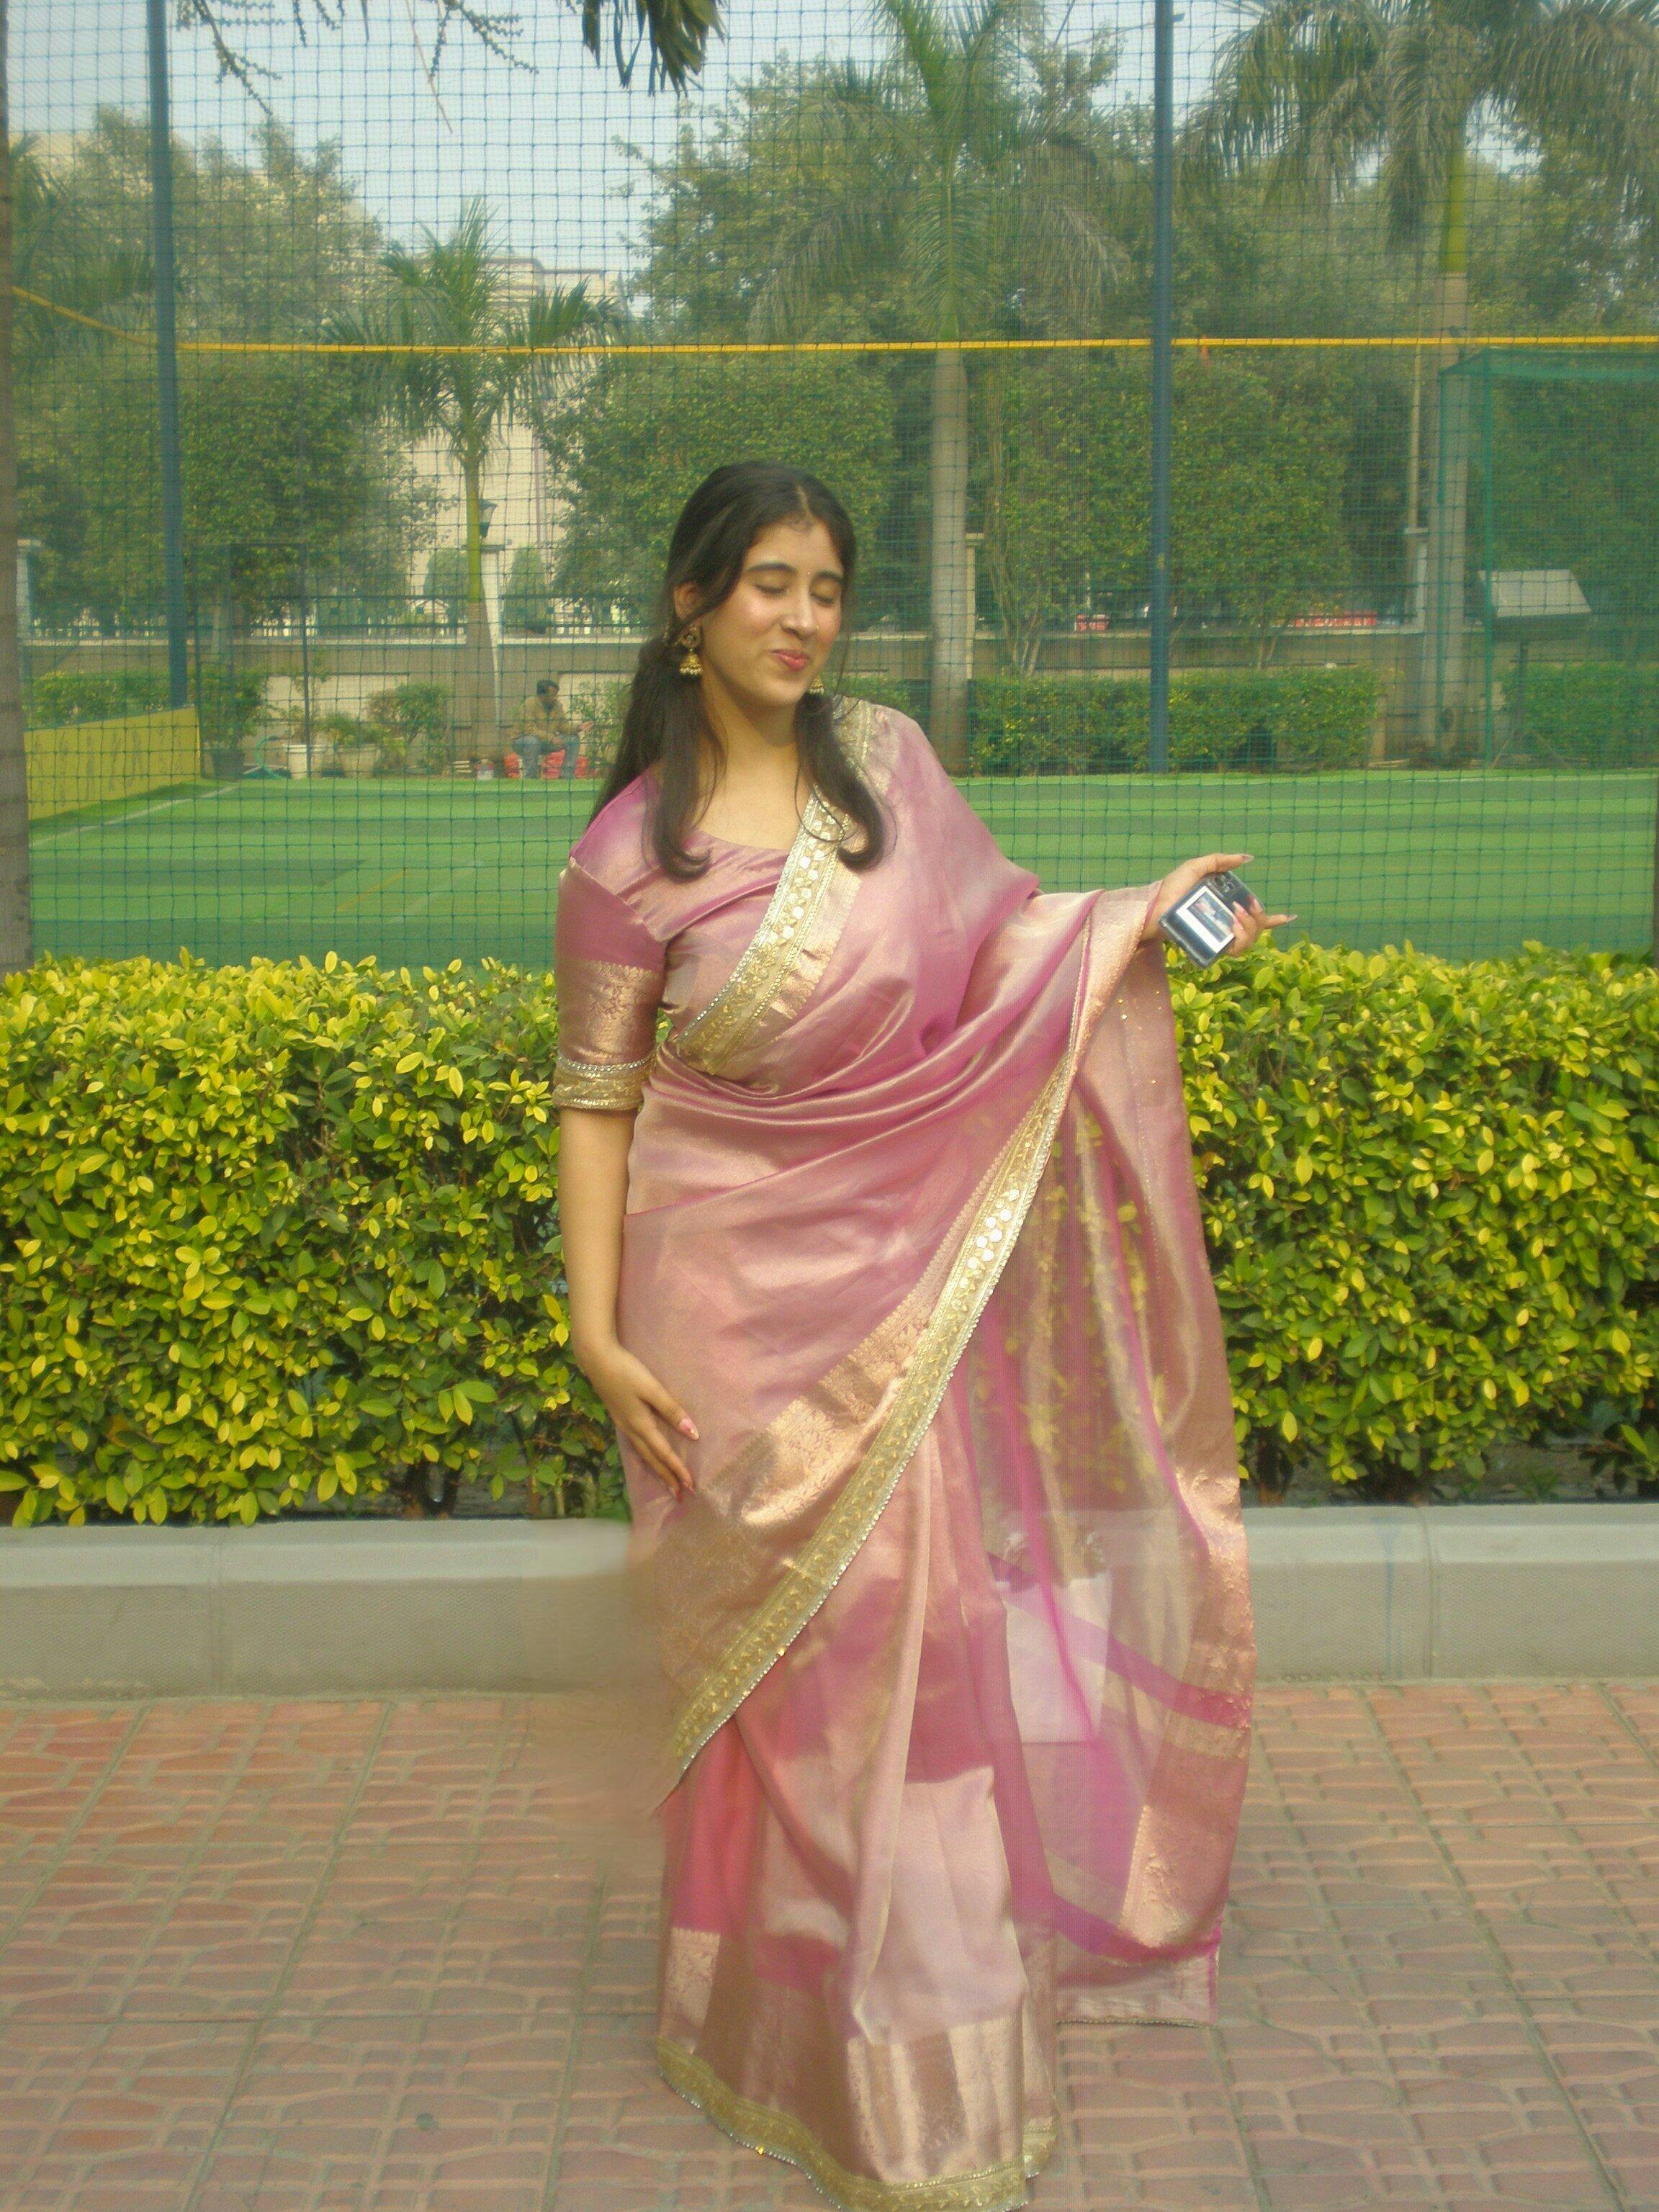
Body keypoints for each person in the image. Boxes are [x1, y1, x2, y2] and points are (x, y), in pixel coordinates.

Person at [552, 463, 1284, 2212]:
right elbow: (596, 1097)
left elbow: (1005, 944)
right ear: (690, 605)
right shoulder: (626, 859)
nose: (802, 618)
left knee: (919, 1632)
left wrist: (1142, 921)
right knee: (788, 1668)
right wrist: (592, 1326)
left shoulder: (885, 770)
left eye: (825, 588)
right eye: (769, 583)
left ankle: (922, 2021)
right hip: (718, 1307)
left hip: (898, 1279)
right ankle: (772, 2008)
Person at [514, 676, 572, 779]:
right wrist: (551, 737)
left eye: (556, 695)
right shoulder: (528, 705)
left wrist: (578, 727)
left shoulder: (557, 706)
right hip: (522, 742)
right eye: (553, 695)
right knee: (532, 741)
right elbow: (530, 730)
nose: (555, 698)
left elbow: (563, 727)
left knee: (573, 739)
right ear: (542, 695)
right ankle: (531, 778)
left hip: (546, 742)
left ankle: (566, 776)